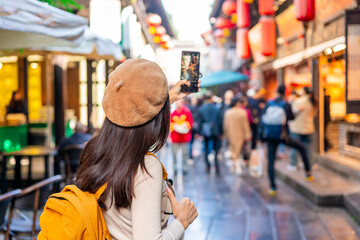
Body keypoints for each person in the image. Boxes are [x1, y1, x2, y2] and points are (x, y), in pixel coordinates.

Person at [75, 59, 198, 240]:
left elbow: (132, 112)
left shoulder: (95, 149)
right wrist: (182, 221)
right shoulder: (145, 166)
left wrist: (166, 98)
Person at [261, 85, 313, 196]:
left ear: (276, 92)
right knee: (302, 148)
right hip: (283, 135)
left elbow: (263, 119)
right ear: (285, 93)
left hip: (270, 136)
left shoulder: (269, 103)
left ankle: (272, 187)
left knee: (271, 160)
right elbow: (291, 118)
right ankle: (308, 173)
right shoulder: (286, 105)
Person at [288, 87, 316, 171]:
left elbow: (291, 113)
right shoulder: (312, 102)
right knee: (308, 147)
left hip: (297, 128)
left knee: (295, 147)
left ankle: (294, 164)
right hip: (309, 127)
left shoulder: (299, 101)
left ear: (303, 92)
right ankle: (308, 164)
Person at [223, 97, 251, 175]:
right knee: (238, 150)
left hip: (231, 134)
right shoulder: (242, 112)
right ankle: (237, 165)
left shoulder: (228, 112)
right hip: (240, 134)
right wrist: (247, 134)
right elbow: (245, 125)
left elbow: (225, 125)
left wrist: (225, 134)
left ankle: (236, 165)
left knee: (233, 150)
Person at [198, 91, 222, 174]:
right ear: (211, 98)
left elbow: (200, 121)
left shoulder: (202, 108)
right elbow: (220, 121)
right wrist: (221, 132)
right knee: (216, 148)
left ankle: (208, 164)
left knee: (206, 147)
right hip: (215, 130)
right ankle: (216, 164)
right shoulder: (216, 108)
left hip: (205, 131)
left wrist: (199, 132)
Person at [170, 99, 193, 175]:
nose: (177, 104)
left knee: (185, 154)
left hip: (184, 137)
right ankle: (175, 168)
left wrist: (185, 125)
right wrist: (174, 126)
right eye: (176, 102)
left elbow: (190, 122)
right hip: (175, 137)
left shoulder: (186, 112)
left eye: (179, 102)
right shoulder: (173, 113)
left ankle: (184, 168)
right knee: (174, 153)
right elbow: (170, 123)